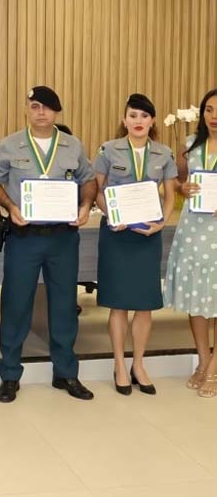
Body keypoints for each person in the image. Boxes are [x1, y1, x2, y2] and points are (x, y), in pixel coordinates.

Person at [0, 86, 98, 403]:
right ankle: (9, 374)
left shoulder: (72, 145)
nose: (41, 113)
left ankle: (65, 372)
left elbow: (88, 180)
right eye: (35, 106)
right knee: (16, 305)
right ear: (27, 109)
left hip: (63, 238)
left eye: (47, 108)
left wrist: (85, 206)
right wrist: (11, 207)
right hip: (25, 237)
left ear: (56, 113)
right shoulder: (10, 144)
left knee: (64, 306)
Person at [94, 94, 176, 396]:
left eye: (143, 116)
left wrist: (162, 222)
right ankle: (118, 364)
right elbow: (96, 189)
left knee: (144, 305)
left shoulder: (163, 154)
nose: (138, 121)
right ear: (124, 120)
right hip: (117, 234)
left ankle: (138, 363)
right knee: (118, 304)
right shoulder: (108, 150)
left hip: (148, 235)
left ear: (152, 121)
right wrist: (110, 213)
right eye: (132, 115)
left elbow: (169, 195)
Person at [164, 88, 217, 397]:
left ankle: (214, 367)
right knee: (197, 296)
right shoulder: (189, 146)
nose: (214, 116)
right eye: (209, 110)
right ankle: (203, 360)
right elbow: (179, 184)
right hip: (194, 231)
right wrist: (184, 188)